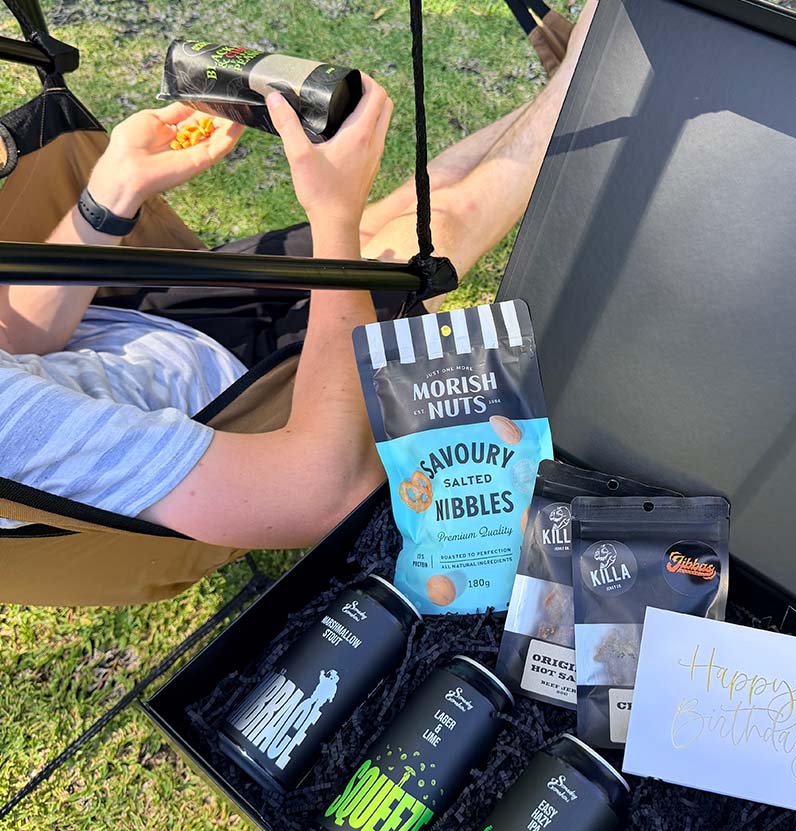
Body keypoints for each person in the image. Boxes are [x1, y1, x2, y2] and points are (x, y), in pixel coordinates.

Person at [0, 2, 595, 550]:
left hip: (136, 320)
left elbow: (18, 336)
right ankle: (593, 75)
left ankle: (570, 87)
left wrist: (114, 190)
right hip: (233, 400)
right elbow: (324, 492)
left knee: (400, 211)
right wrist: (333, 217)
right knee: (432, 229)